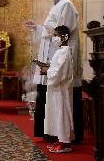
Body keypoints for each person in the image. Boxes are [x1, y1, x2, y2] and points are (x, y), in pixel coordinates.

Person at [25, 0, 83, 143]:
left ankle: (63, 136)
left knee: (61, 98)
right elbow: (52, 30)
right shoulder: (57, 6)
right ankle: (51, 132)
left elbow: (61, 32)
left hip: (61, 61)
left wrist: (44, 30)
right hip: (52, 60)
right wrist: (37, 28)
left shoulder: (66, 5)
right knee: (48, 97)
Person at [41, 25, 74, 153]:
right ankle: (59, 139)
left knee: (61, 113)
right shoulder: (60, 52)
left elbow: (59, 73)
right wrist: (48, 68)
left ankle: (64, 142)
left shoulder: (65, 53)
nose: (53, 38)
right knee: (55, 113)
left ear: (64, 37)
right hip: (55, 89)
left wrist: (47, 71)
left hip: (61, 89)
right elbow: (55, 68)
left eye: (55, 35)